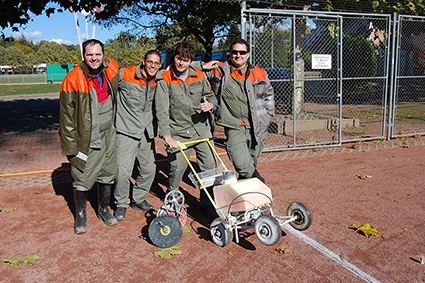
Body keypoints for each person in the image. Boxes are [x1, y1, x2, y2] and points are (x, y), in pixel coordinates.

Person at [59, 39, 119, 234]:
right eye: (90, 54)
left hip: (109, 132)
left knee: (108, 172)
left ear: (103, 55)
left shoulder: (110, 69)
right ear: (83, 56)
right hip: (87, 136)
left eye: (98, 54)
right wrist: (71, 149)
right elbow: (66, 120)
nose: (94, 58)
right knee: (82, 176)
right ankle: (81, 214)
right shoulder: (72, 79)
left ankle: (103, 209)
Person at [155, 41, 218, 214]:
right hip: (179, 132)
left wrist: (210, 105)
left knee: (209, 166)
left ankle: (208, 202)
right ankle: (172, 200)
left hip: (201, 129)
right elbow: (161, 110)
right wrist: (167, 135)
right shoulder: (164, 79)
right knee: (176, 170)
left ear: (191, 61)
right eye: (178, 58)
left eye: (186, 60)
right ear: (174, 58)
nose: (181, 63)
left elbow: (210, 95)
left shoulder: (198, 74)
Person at [204, 38, 274, 183]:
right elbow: (190, 71)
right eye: (235, 52)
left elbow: (269, 97)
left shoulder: (259, 73)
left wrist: (268, 117)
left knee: (251, 161)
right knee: (242, 163)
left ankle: (247, 198)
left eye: (242, 52)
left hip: (257, 125)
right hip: (234, 124)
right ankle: (259, 181)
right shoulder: (220, 71)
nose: (238, 55)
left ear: (248, 55)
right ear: (230, 53)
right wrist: (202, 66)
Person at [113, 50, 162, 220]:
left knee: (149, 169)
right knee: (122, 171)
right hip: (126, 130)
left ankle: (138, 199)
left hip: (146, 131)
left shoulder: (159, 78)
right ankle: (120, 203)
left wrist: (201, 65)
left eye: (156, 63)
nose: (153, 66)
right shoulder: (125, 74)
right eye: (150, 62)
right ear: (143, 61)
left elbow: (180, 67)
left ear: (160, 65)